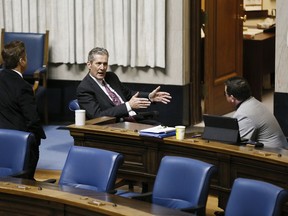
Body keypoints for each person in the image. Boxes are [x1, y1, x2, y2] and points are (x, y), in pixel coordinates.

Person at [77, 47, 172, 124]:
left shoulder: (111, 76)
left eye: (105, 64)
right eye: (98, 64)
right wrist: (128, 106)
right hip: (116, 123)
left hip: (134, 117)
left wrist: (149, 97)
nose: (102, 68)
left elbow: (128, 94)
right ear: (89, 65)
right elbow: (97, 116)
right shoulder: (84, 88)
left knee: (162, 129)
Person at [0, 40, 46, 179]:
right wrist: (37, 138)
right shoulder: (24, 87)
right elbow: (32, 120)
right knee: (34, 145)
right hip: (18, 142)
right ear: (22, 61)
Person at [224, 76, 287, 148]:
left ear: (232, 98)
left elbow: (238, 145)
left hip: (273, 155)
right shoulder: (254, 102)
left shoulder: (244, 114)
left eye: (225, 94)